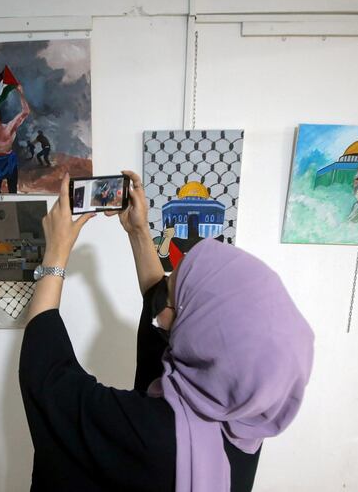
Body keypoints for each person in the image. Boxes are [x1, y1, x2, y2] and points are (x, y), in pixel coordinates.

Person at [19, 171, 315, 492]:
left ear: (200, 336)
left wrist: (55, 255)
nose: (160, 310)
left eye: (173, 299)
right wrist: (138, 231)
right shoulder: (248, 416)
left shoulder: (151, 435)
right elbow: (160, 300)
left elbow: (47, 380)